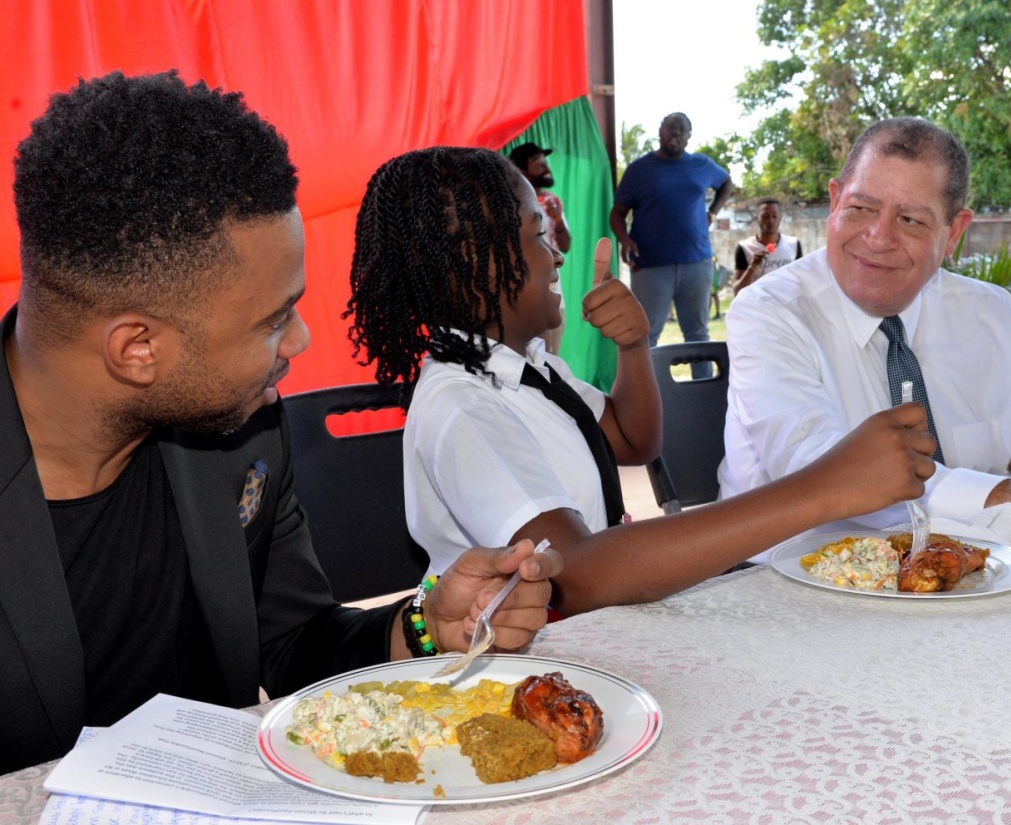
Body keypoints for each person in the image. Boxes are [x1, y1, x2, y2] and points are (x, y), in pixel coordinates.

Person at [1, 71, 561, 775]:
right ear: (137, 348)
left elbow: (296, 643)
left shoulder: (244, 434)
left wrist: (427, 624)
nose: (298, 342)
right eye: (272, 320)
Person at [343, 146, 938, 618]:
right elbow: (576, 575)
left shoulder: (526, 368)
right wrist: (824, 489)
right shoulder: (461, 405)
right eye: (537, 236)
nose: (557, 257)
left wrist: (633, 346)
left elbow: (633, 441)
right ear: (474, 262)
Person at [720, 117, 1011, 546]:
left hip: (974, 577)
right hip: (787, 586)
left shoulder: (990, 315)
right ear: (834, 201)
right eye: (861, 209)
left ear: (953, 232)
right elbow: (818, 468)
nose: (878, 238)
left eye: (910, 219)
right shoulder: (768, 312)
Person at [609, 113, 732, 375]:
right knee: (647, 335)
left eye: (681, 131)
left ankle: (702, 398)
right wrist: (625, 239)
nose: (675, 134)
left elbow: (726, 182)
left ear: (689, 136)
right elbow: (617, 213)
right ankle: (647, 400)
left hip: (696, 263)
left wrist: (712, 212)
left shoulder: (701, 165)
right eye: (670, 129)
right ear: (660, 131)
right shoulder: (640, 169)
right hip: (650, 266)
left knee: (698, 333)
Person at [508, 141, 571, 354]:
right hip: (527, 296)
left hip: (554, 293)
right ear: (522, 170)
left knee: (552, 358)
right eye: (538, 163)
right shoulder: (511, 205)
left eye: (546, 162)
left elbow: (565, 246)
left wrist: (559, 222)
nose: (546, 168)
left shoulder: (553, 202)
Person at [731, 197, 802, 295]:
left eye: (774, 216)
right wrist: (751, 268)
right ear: (757, 219)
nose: (770, 220)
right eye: (765, 216)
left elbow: (800, 280)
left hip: (787, 304)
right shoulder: (745, 247)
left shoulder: (793, 244)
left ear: (780, 218)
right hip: (758, 305)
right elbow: (737, 291)